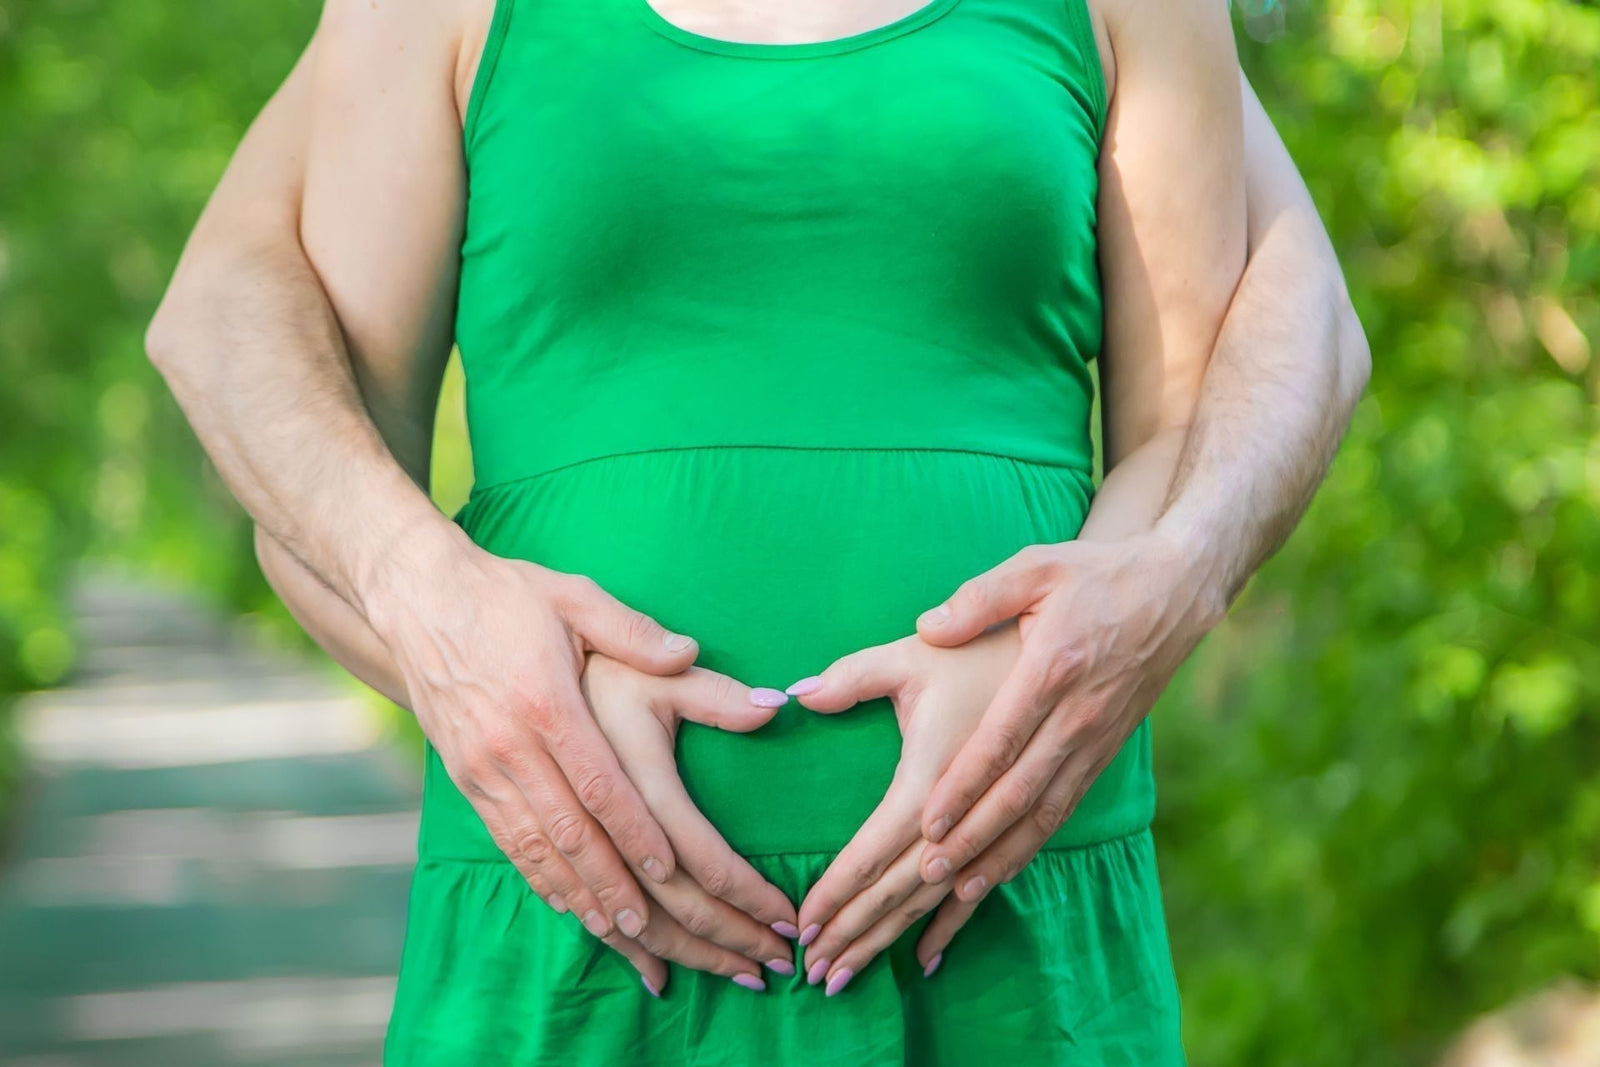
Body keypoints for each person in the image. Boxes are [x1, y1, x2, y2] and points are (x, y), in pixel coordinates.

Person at [146, 0, 1369, 1061]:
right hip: (577, 922)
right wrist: (492, 672)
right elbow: (303, 460)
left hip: (1009, 918)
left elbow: (1243, 370)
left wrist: (1094, 639)